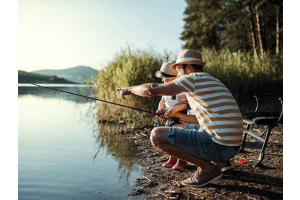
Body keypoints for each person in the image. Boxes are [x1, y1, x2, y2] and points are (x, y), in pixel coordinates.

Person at [117, 49, 243, 187]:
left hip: (220, 146)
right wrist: (175, 115)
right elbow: (199, 120)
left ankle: (207, 169)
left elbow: (151, 89)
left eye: (178, 69)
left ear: (188, 68)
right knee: (179, 126)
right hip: (233, 146)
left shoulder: (192, 79)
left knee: (157, 135)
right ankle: (222, 162)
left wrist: (129, 89)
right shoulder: (211, 80)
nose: (177, 74)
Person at [155, 61, 188, 170]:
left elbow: (184, 104)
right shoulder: (165, 89)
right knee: (169, 137)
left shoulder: (179, 89)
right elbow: (162, 101)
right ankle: (172, 157)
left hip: (179, 117)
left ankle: (182, 159)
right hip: (168, 116)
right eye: (162, 78)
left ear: (175, 78)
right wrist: (160, 108)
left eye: (166, 78)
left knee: (177, 138)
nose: (163, 80)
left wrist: (174, 110)